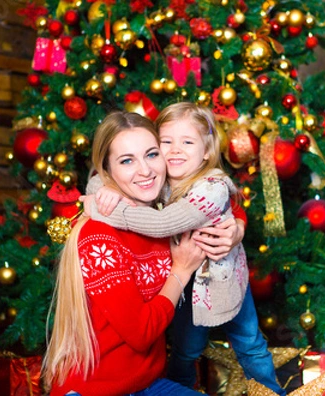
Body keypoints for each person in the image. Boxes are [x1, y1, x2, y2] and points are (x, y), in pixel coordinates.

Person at [83, 103, 285, 395]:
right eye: (165, 143)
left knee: (250, 343)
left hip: (227, 280)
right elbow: (99, 179)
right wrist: (102, 193)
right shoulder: (158, 181)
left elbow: (164, 223)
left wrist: (103, 211)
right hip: (186, 286)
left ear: (206, 151)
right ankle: (180, 388)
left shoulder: (211, 186)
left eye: (187, 142)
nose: (175, 150)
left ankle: (271, 392)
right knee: (186, 350)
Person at [42, 112, 208, 396]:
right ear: (107, 171)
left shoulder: (162, 220)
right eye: (127, 161)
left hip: (147, 384)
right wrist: (181, 272)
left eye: (152, 154)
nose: (145, 171)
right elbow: (141, 333)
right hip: (92, 390)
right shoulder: (97, 236)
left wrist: (237, 228)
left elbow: (217, 196)